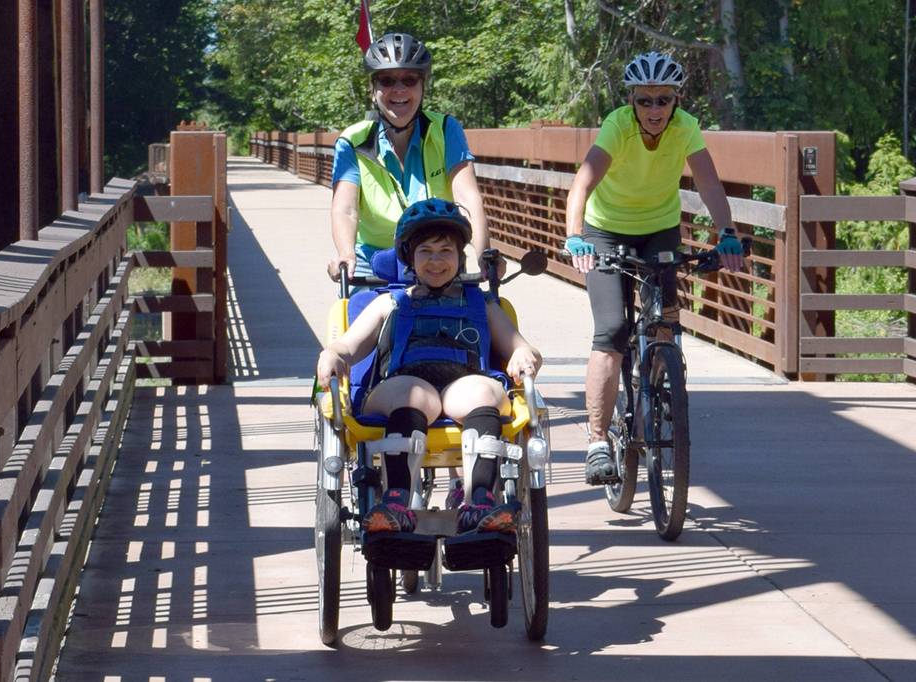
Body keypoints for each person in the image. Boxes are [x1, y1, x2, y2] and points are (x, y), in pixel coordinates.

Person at [563, 51, 744, 486]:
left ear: (676, 101)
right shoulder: (617, 127)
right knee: (611, 331)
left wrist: (727, 232)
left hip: (660, 230)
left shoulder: (686, 128)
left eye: (663, 99)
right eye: (645, 100)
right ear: (632, 101)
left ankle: (659, 389)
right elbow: (582, 184)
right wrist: (575, 236)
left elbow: (709, 183)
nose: (655, 109)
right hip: (606, 232)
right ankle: (597, 441)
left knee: (663, 324)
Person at [316, 198, 542, 535]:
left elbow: (518, 344)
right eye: (426, 251)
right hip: (400, 388)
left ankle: (479, 499)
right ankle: (395, 500)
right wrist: (333, 353)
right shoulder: (388, 302)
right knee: (416, 395)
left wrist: (525, 355)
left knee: (483, 391)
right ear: (409, 256)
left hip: (462, 385)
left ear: (459, 255)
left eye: (446, 251)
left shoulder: (482, 304)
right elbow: (349, 345)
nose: (436, 261)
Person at [328, 32, 496, 285]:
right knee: (360, 320)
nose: (398, 90)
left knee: (477, 320)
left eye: (409, 80)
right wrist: (345, 253)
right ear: (373, 89)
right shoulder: (352, 141)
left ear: (422, 86)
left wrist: (484, 253)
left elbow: (467, 198)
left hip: (438, 255)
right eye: (386, 80)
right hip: (375, 260)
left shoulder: (446, 129)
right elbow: (346, 208)